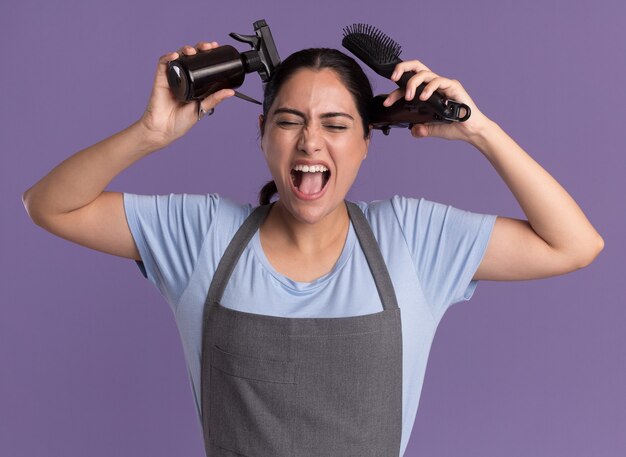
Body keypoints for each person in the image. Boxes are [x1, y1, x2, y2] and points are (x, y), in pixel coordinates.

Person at [22, 41, 603, 457]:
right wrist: (149, 133)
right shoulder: (202, 235)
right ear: (263, 135)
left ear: (368, 143)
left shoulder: (412, 239)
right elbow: (48, 205)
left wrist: (479, 128)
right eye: (290, 120)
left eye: (336, 124)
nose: (311, 141)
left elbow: (575, 244)